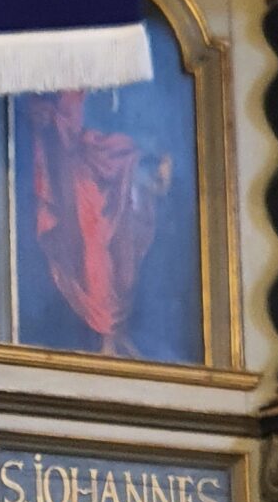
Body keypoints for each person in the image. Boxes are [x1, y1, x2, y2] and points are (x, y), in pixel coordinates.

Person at [28, 88, 171, 355]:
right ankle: (105, 339)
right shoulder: (71, 94)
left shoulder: (122, 121)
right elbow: (66, 129)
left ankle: (115, 335)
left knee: (123, 257)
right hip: (83, 181)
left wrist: (147, 157)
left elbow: (137, 125)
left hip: (116, 176)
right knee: (95, 254)